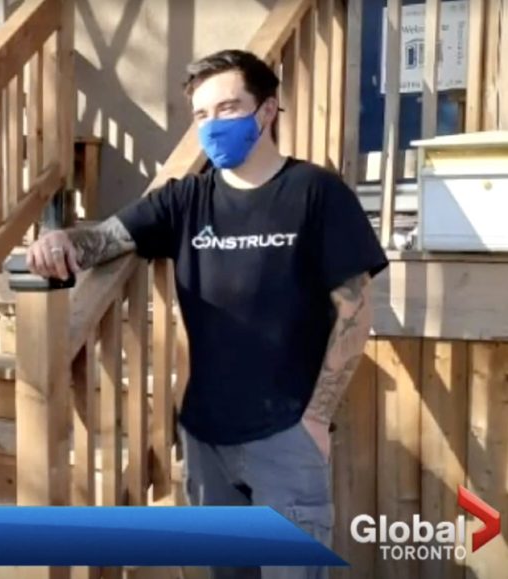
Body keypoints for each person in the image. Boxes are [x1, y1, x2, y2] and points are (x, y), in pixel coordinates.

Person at [27, 50, 388, 579]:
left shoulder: (316, 193)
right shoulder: (185, 201)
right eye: (201, 115)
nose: (213, 125)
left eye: (228, 108)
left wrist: (313, 417)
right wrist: (61, 239)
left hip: (286, 437)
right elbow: (105, 240)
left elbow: (356, 310)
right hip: (204, 441)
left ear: (266, 112)